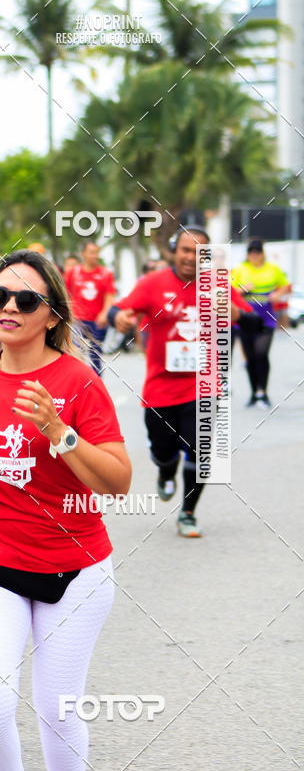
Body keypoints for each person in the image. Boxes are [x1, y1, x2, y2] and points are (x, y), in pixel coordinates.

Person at [0, 249, 131, 771]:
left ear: (51, 315)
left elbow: (119, 482)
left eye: (27, 300)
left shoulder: (77, 381)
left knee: (57, 709)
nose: (8, 307)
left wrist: (58, 430)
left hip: (75, 569)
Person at [109, 225, 253, 539]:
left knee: (201, 451)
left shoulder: (217, 285)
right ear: (175, 251)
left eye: (199, 251)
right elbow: (119, 309)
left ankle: (188, 513)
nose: (191, 257)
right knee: (164, 451)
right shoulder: (152, 283)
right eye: (186, 249)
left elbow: (251, 318)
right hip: (160, 387)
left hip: (204, 384)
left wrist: (233, 313)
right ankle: (164, 469)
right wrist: (118, 318)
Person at [231, 238, 290, 408]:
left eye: (257, 252)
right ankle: (253, 393)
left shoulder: (273, 269)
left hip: (266, 317)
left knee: (261, 354)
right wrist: (243, 289)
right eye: (251, 252)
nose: (254, 255)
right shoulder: (240, 269)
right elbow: (227, 290)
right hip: (245, 317)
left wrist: (278, 295)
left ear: (263, 253)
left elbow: (285, 285)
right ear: (248, 254)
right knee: (249, 358)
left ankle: (262, 392)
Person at [64, 241, 115, 374]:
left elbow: (109, 296)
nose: (95, 256)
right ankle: (77, 382)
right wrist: (69, 313)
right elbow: (65, 294)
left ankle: (94, 383)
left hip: (97, 322)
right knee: (76, 353)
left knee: (95, 355)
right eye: (92, 252)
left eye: (97, 253)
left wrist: (105, 313)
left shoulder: (105, 274)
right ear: (83, 254)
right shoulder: (73, 273)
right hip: (78, 321)